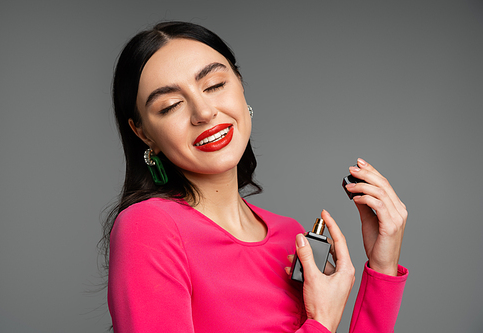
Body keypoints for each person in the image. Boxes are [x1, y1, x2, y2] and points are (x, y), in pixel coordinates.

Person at [102, 21, 408, 333]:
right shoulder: (147, 227)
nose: (204, 112)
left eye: (214, 85)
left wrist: (382, 269)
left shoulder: (291, 237)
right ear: (143, 133)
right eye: (170, 105)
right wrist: (321, 323)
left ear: (240, 84)